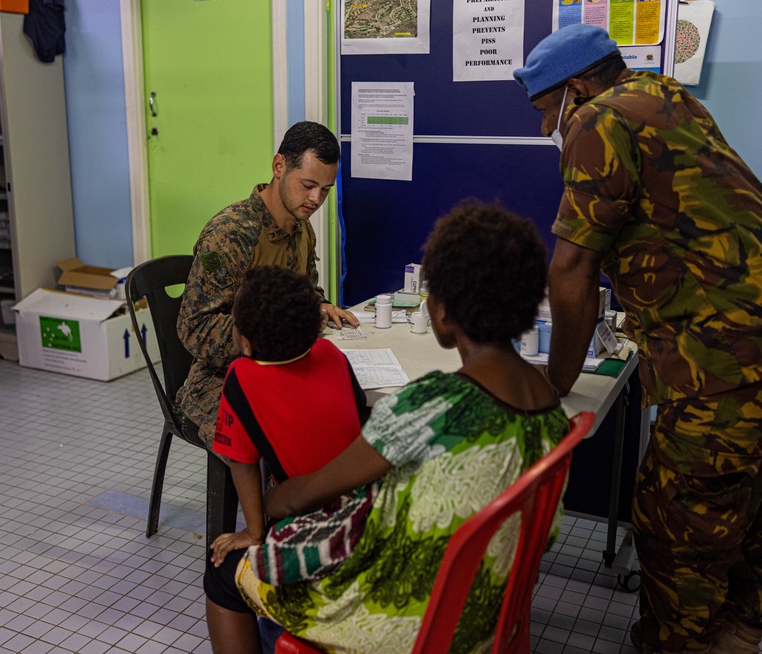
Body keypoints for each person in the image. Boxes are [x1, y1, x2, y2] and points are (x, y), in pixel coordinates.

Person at [514, 24, 762, 654]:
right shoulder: (667, 98)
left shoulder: (595, 122)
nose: (542, 128)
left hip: (730, 359)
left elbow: (572, 268)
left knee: (676, 522)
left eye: (541, 111)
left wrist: (557, 383)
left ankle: (678, 643)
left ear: (575, 89)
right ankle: (742, 630)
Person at [207, 200, 569, 654]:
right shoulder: (551, 407)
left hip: (402, 620)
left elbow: (303, 494)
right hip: (486, 608)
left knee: (224, 573)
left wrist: (271, 502)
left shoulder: (430, 403)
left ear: (441, 310)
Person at [203, 264, 367, 653]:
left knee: (219, 575)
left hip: (319, 530)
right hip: (367, 513)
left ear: (245, 341)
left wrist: (254, 532)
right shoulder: (331, 353)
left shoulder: (242, 376)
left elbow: (241, 462)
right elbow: (359, 419)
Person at [176, 121, 360, 451]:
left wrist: (318, 305)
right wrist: (274, 332)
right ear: (279, 167)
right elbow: (193, 328)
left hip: (282, 366)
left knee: (342, 412)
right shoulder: (230, 234)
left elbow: (307, 291)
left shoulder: (301, 227)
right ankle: (276, 503)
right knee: (286, 434)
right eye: (307, 185)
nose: (316, 199)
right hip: (221, 378)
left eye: (326, 190)